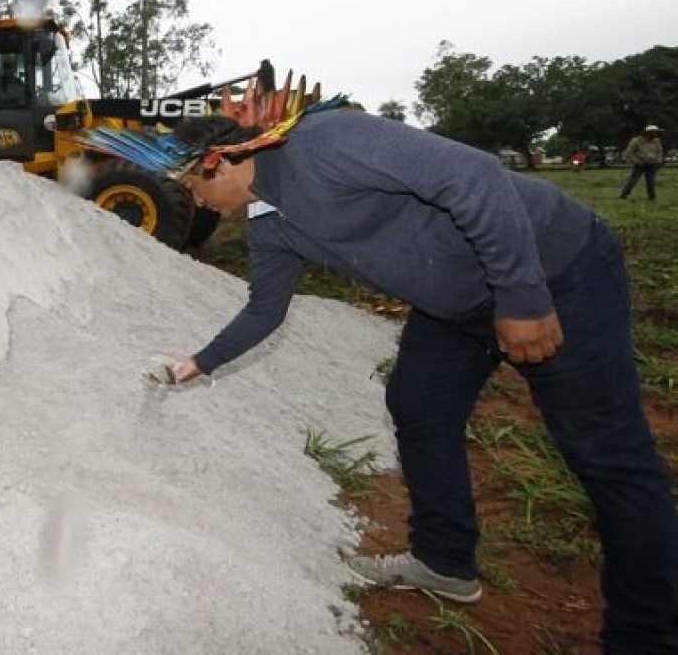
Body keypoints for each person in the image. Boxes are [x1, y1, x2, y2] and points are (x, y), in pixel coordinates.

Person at [142, 78, 678, 655]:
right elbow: (266, 309)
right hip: (457, 308)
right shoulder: (271, 224)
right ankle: (445, 560)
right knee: (418, 405)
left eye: (190, 185)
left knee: (606, 453)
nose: (194, 203)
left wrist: (523, 300)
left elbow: (475, 177)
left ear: (219, 161)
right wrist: (200, 361)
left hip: (554, 271)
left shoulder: (325, 141)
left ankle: (648, 635)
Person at [620, 125, 665, 200]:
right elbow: (630, 153)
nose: (656, 134)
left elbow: (659, 151)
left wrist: (659, 160)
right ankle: (623, 196)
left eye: (656, 132)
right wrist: (636, 161)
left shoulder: (657, 141)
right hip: (639, 164)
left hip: (652, 164)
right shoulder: (636, 141)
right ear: (647, 133)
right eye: (654, 133)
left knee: (651, 182)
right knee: (632, 181)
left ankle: (652, 197)